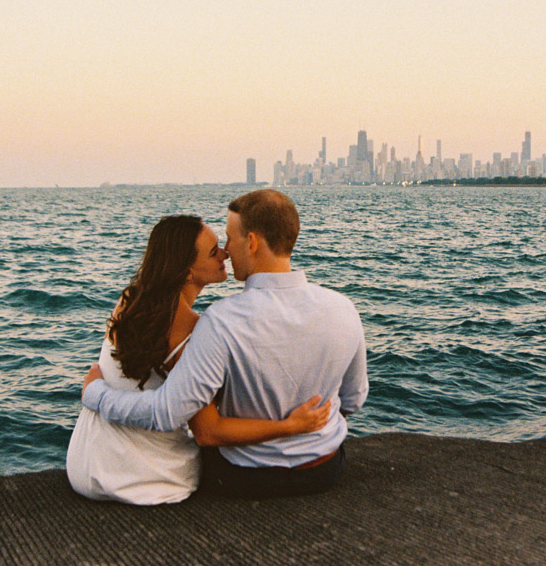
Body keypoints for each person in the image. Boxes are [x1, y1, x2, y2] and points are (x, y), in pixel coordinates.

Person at [82, 189, 367, 498]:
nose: (227, 251)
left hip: (247, 478)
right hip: (324, 471)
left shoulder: (219, 322)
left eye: (229, 238)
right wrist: (301, 431)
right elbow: (353, 400)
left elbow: (186, 421)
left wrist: (95, 395)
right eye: (218, 246)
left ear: (253, 242)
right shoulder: (344, 308)